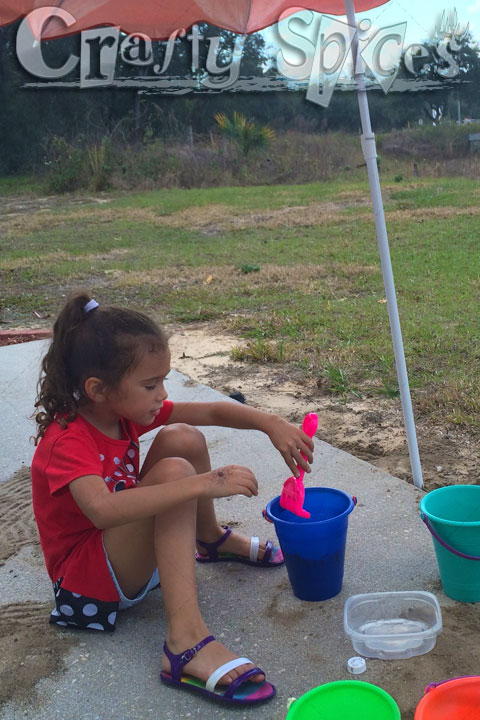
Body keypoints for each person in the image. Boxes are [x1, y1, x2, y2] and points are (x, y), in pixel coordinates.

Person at [31, 291, 315, 706]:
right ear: (98, 389)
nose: (162, 393)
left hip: (120, 553)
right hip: (88, 581)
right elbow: (102, 510)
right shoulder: (68, 439)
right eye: (151, 384)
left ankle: (211, 538)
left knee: (181, 436)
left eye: (163, 379)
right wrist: (203, 483)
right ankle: (185, 639)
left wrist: (270, 423)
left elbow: (214, 413)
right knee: (177, 473)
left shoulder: (121, 410)